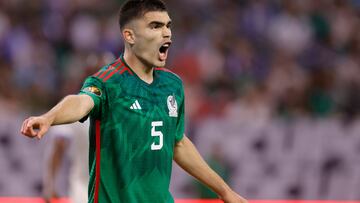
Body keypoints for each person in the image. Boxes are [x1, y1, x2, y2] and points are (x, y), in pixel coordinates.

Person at [20, 0, 248, 202]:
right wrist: (48, 117)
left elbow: (177, 143)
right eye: (155, 26)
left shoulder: (173, 85)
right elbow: (82, 102)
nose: (166, 33)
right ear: (129, 36)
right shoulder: (108, 82)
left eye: (168, 25)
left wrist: (225, 191)